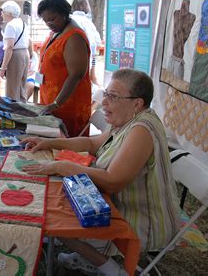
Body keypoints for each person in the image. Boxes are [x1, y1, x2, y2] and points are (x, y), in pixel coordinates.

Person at [21, 69, 181, 275]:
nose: (104, 102)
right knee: (56, 207)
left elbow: (112, 182)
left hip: (141, 219)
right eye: (106, 94)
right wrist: (50, 142)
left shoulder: (141, 129)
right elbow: (91, 142)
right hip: (116, 203)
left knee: (55, 220)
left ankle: (112, 269)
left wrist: (64, 167)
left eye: (113, 97)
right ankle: (88, 255)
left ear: (137, 103)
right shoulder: (128, 119)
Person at [37, 0, 91, 137]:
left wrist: (56, 103)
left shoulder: (74, 36)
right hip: (51, 100)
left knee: (66, 145)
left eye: (52, 19)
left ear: (64, 14)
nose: (49, 23)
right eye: (45, 20)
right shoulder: (57, 31)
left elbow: (76, 75)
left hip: (67, 104)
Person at [0, 0, 30, 102]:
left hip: (16, 55)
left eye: (2, 11)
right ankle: (22, 110)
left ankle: (12, 113)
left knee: (12, 88)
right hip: (25, 53)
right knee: (21, 87)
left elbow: (9, 47)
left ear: (9, 13)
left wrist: (3, 67)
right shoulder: (23, 23)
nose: (1, 14)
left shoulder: (11, 25)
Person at [71, 0, 102, 87]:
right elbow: (98, 41)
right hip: (89, 55)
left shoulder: (70, 19)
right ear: (86, 7)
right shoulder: (88, 22)